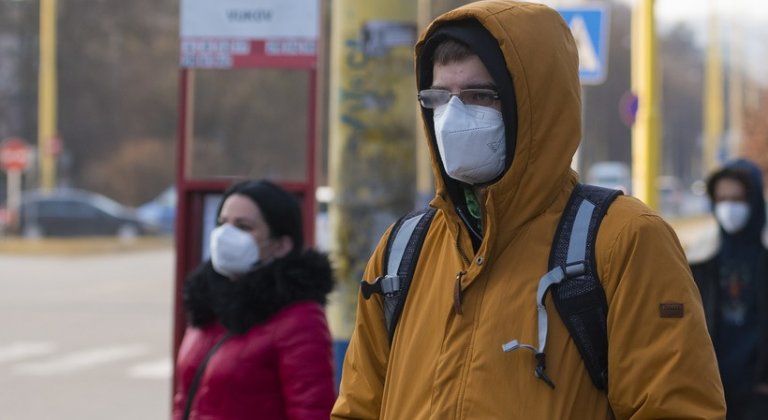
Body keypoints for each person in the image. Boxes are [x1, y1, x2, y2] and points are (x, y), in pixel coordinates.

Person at [332, 2, 725, 419]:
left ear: (535, 106)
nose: (452, 117)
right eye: (440, 98)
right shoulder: (402, 250)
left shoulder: (624, 241)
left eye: (479, 96)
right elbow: (357, 409)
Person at [173, 180, 335, 420]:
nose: (226, 234)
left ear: (281, 245)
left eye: (243, 226)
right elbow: (184, 400)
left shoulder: (300, 319)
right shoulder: (208, 303)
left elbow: (312, 411)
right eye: (222, 223)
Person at [692, 159, 768, 419]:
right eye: (722, 199)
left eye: (737, 199)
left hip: (758, 394)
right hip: (711, 390)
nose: (729, 208)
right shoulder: (700, 259)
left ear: (754, 201)